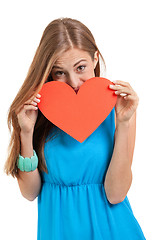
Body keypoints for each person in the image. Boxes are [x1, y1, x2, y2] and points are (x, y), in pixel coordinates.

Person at [4, 17, 146, 239]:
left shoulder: (118, 110)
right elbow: (29, 193)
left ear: (95, 58)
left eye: (81, 68)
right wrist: (26, 132)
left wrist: (124, 123)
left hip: (113, 230)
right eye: (60, 72)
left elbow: (116, 194)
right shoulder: (36, 113)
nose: (73, 82)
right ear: (48, 71)